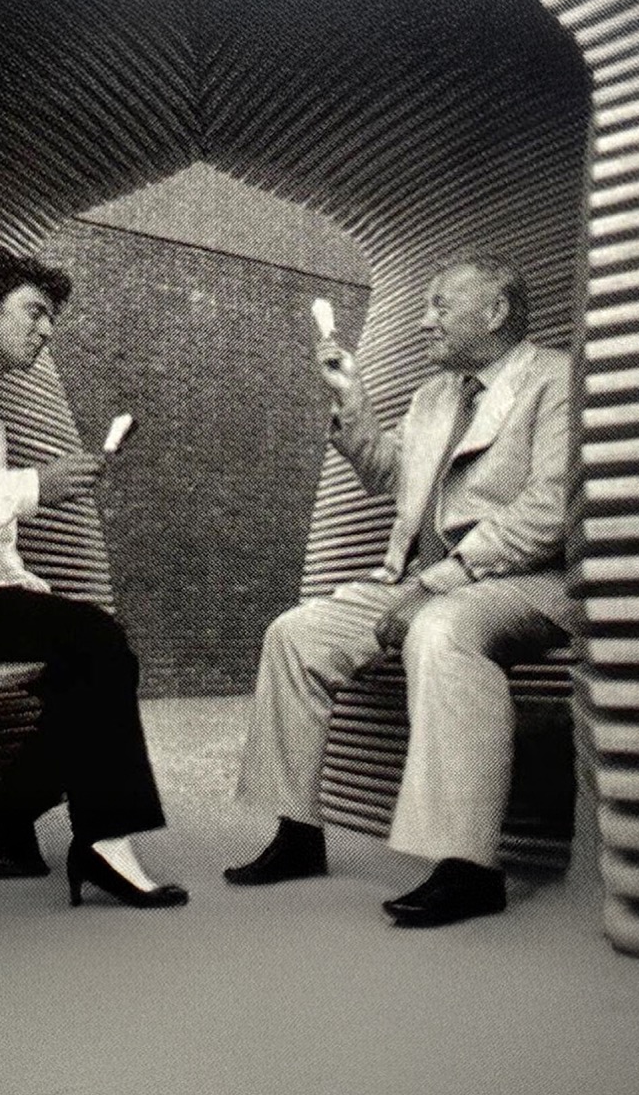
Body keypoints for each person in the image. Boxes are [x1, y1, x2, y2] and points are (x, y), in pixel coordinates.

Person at [225, 249, 577, 927]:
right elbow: (390, 475)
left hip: (525, 579)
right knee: (294, 634)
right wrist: (351, 400)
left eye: (440, 305)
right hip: (425, 580)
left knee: (440, 632)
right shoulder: (433, 396)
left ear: (496, 310)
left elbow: (551, 508)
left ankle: (468, 867)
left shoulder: (556, 380)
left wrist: (440, 584)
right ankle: (296, 831)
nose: (423, 321)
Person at [0, 247, 187, 910]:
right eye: (34, 312)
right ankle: (103, 841)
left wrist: (30, 585)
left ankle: (5, 815)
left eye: (51, 319)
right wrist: (36, 486)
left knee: (101, 650)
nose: (46, 330)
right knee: (95, 642)